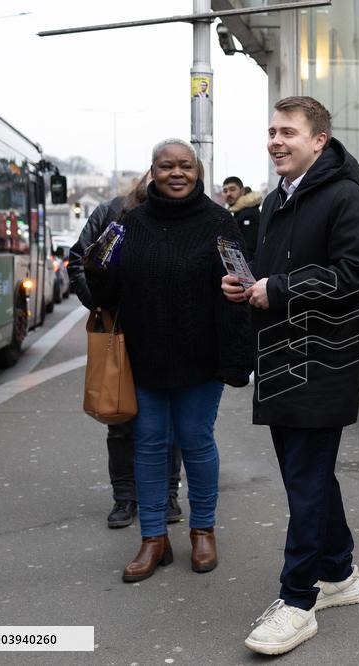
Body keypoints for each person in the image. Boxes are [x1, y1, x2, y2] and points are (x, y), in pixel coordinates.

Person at [221, 96, 359, 656]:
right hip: (281, 360)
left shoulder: (347, 198)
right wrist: (248, 285)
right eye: (271, 131)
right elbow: (274, 278)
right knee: (306, 477)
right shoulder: (276, 203)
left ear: (319, 141)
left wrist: (277, 289)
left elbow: (356, 278)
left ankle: (298, 601)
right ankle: (338, 574)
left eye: (288, 132)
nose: (275, 141)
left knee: (307, 480)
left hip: (322, 363)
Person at [87, 138, 251, 583]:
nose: (176, 173)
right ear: (152, 172)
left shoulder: (220, 222)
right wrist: (96, 267)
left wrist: (237, 361)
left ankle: (203, 530)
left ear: (197, 172)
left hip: (202, 358)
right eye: (166, 166)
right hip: (145, 357)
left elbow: (241, 290)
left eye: (185, 166)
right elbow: (105, 291)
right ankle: (153, 538)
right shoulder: (130, 222)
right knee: (150, 444)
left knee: (196, 441)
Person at [67, 171, 185, 529]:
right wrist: (101, 307)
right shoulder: (110, 211)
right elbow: (78, 260)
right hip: (119, 334)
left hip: (169, 335)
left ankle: (168, 495)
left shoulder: (182, 213)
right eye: (159, 168)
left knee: (170, 423)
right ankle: (125, 498)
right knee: (119, 418)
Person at [221, 175, 262, 256]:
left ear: (242, 191)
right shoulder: (235, 212)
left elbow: (250, 249)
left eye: (232, 189)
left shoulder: (249, 213)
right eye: (225, 191)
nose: (228, 193)